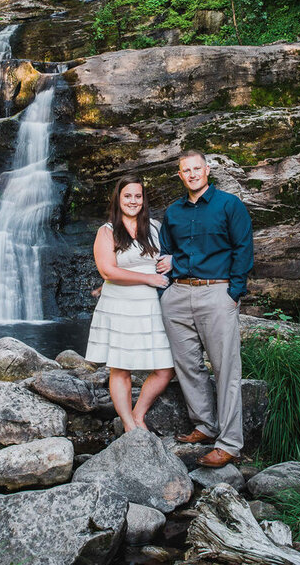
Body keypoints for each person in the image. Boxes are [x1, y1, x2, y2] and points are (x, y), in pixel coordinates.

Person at [158, 150, 253, 468]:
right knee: (187, 365)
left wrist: (234, 293)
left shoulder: (229, 205)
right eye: (186, 170)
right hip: (178, 295)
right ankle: (205, 425)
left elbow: (243, 249)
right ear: (180, 175)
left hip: (216, 293)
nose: (192, 174)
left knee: (226, 369)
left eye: (197, 168)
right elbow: (166, 254)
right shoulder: (172, 213)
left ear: (207, 170)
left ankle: (229, 443)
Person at [85, 175, 176, 434]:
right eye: (127, 196)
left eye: (138, 196)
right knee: (120, 367)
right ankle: (129, 425)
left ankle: (138, 413)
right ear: (118, 199)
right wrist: (147, 278)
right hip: (119, 305)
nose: (133, 201)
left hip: (152, 306)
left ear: (144, 199)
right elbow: (108, 271)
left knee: (166, 368)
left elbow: (172, 253)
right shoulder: (107, 231)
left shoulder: (156, 227)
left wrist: (170, 260)